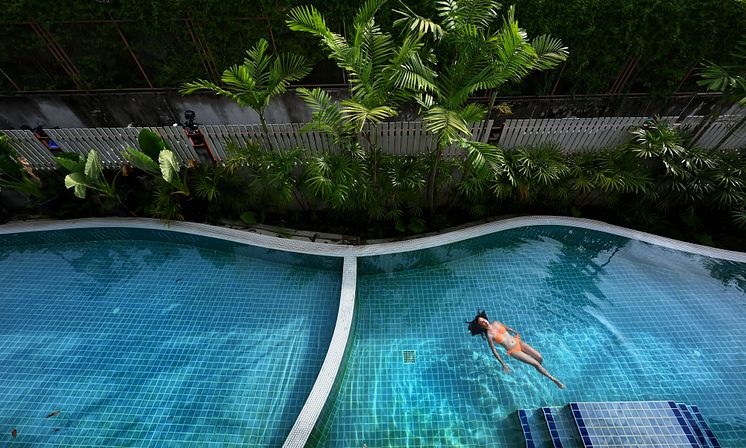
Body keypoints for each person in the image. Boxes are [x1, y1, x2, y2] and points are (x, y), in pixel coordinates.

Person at [466, 310, 565, 389]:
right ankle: (554, 380)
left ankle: (541, 371)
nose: (483, 321)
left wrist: (515, 332)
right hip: (514, 351)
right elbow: (494, 351)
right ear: (480, 326)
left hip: (518, 342)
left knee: (539, 357)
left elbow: (506, 328)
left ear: (485, 318)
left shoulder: (496, 323)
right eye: (481, 323)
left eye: (483, 319)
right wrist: (503, 364)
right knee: (536, 364)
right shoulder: (489, 336)